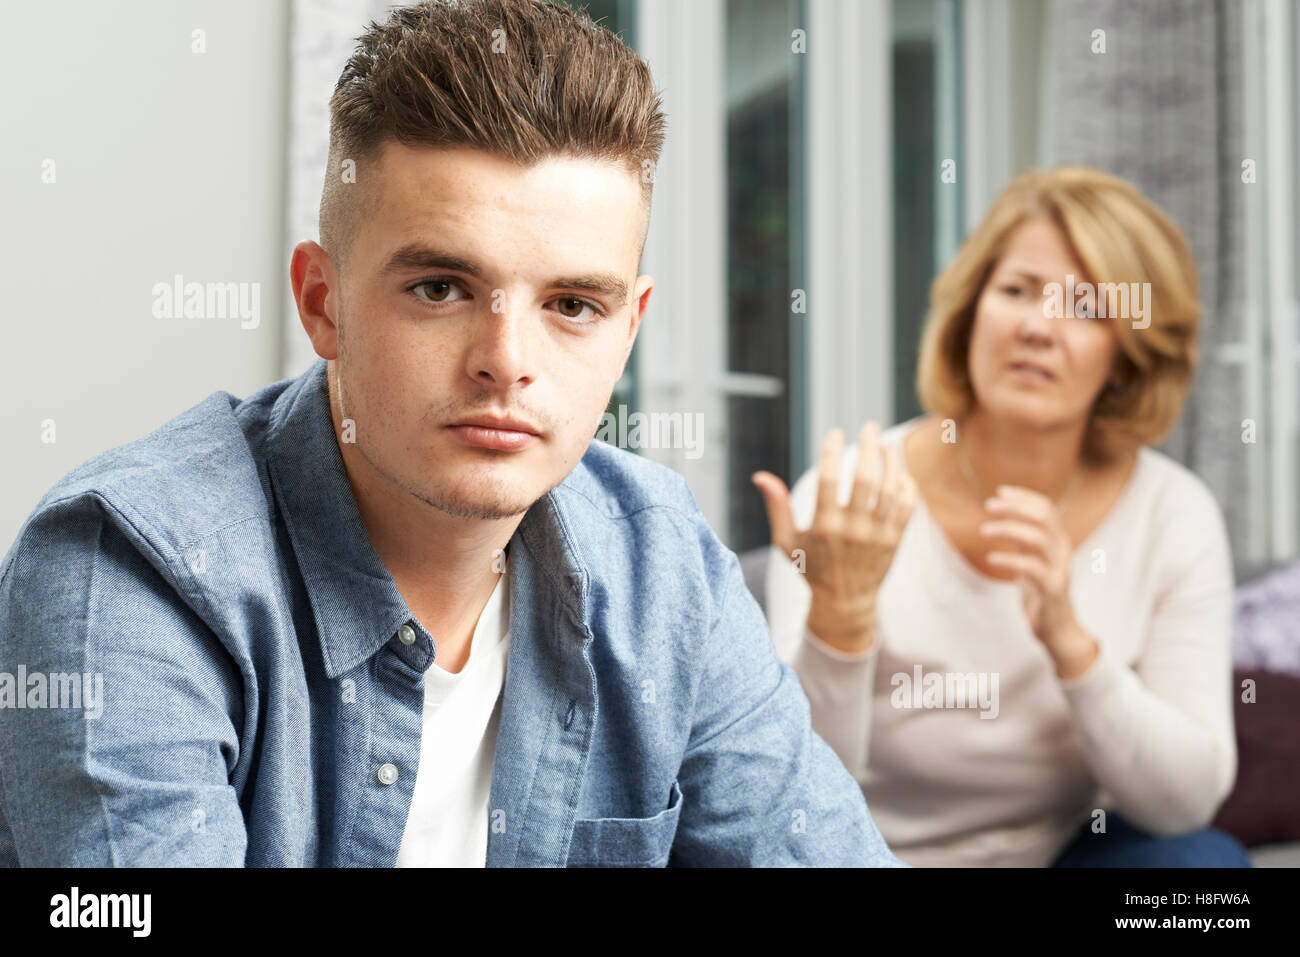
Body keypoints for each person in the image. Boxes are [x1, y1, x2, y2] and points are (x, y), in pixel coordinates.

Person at [0, 0, 902, 868]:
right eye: (440, 287)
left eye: (574, 305)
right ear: (323, 303)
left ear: (629, 330)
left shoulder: (661, 560)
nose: (506, 361)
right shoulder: (129, 569)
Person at [754, 165, 1251, 867]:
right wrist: (841, 617)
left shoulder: (1174, 514)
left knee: (1203, 868)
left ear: (1127, 356)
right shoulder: (847, 497)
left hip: (1057, 856)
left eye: (1085, 305)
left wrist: (1071, 642)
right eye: (1017, 290)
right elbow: (788, 798)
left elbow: (1184, 802)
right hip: (863, 856)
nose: (1038, 327)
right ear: (971, 314)